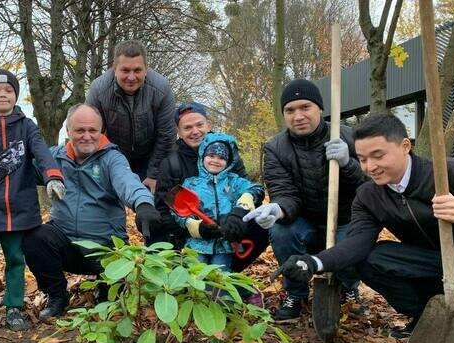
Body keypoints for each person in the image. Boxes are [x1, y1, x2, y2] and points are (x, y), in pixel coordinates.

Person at [273, 113, 454, 337]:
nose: (370, 167)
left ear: (405, 146)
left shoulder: (450, 173)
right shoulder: (368, 196)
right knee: (370, 259)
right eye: (362, 159)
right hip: (427, 261)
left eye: (378, 156)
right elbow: (356, 243)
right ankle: (425, 315)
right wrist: (314, 262)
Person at [21, 103, 162, 320]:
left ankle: (105, 290)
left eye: (93, 130)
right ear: (68, 132)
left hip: (105, 248)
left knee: (113, 295)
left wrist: (143, 204)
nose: (87, 136)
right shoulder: (54, 158)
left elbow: (128, 183)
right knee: (34, 237)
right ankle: (57, 295)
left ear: (101, 131)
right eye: (80, 130)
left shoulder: (112, 159)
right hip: (64, 241)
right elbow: (23, 172)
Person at [244, 79, 367, 322]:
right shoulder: (275, 148)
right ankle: (296, 292)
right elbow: (285, 193)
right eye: (290, 110)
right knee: (281, 231)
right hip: (306, 222)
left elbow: (370, 188)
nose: (298, 116)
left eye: (305, 107)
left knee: (356, 240)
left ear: (320, 108)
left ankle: (348, 287)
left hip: (346, 220)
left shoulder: (349, 137)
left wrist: (348, 163)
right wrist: (277, 209)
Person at [0, 69, 65, 334]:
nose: (2, 95)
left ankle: (14, 307)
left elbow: (42, 152)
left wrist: (53, 176)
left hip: (20, 212)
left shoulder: (27, 126)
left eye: (8, 91)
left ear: (15, 96)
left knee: (16, 261)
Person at [154, 102, 269, 273]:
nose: (195, 131)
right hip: (189, 236)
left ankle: (232, 278)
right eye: (187, 128)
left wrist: (236, 217)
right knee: (153, 224)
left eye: (199, 125)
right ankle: (174, 273)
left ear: (208, 124)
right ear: (178, 132)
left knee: (264, 222)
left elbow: (249, 190)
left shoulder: (229, 154)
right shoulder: (171, 163)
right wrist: (194, 228)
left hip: (226, 235)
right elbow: (164, 209)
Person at [172, 133, 266, 304]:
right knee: (195, 275)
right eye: (211, 155)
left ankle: (240, 296)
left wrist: (241, 208)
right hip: (197, 245)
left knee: (222, 277)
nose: (215, 160)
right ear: (203, 156)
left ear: (229, 162)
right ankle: (199, 307)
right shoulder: (191, 184)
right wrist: (194, 226)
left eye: (221, 157)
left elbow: (256, 189)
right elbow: (177, 211)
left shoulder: (235, 182)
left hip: (224, 244)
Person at [86, 40, 176, 193]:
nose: (131, 77)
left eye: (137, 70)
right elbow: (92, 132)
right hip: (114, 156)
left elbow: (167, 135)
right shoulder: (99, 89)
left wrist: (153, 175)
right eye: (125, 70)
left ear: (146, 69)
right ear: (115, 69)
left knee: (150, 208)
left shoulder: (162, 88)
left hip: (151, 157)